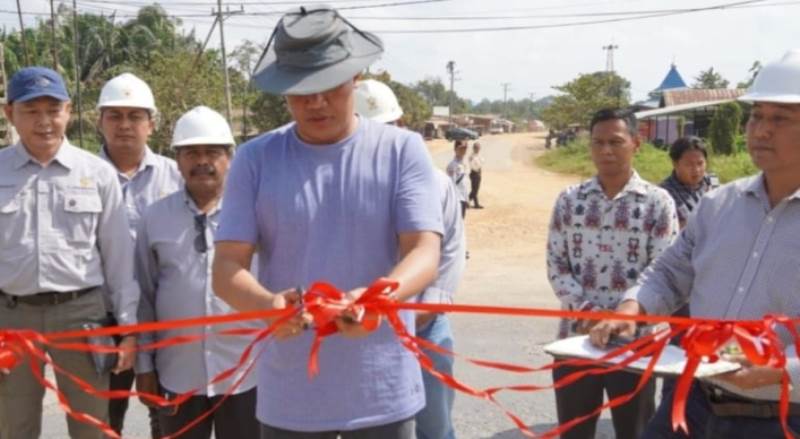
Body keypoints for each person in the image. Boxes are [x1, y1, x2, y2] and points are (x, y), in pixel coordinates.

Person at [211, 7, 443, 439]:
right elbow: (226, 268)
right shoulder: (254, 159)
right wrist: (267, 306)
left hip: (383, 392)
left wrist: (376, 297)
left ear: (355, 77)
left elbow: (424, 251)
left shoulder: (402, 151)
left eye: (328, 85)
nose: (316, 102)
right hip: (291, 397)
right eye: (301, 89)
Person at [589, 49, 800, 439]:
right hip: (692, 402)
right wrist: (632, 308)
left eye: (780, 119)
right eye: (756, 116)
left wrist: (782, 372)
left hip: (781, 418)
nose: (761, 130)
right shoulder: (720, 204)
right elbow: (669, 273)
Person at [0, 67, 140, 439]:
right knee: (15, 425)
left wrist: (127, 329)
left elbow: (119, 258)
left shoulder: (97, 173)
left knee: (91, 424)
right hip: (11, 317)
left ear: (69, 110)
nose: (44, 121)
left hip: (81, 315)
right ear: (8, 112)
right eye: (31, 111)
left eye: (53, 109)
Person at [546, 108, 678, 439]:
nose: (606, 150)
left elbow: (662, 269)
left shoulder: (658, 203)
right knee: (574, 432)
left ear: (637, 143)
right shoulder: (568, 201)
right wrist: (586, 312)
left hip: (636, 344)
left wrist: (624, 315)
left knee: (636, 431)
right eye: (598, 142)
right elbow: (556, 265)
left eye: (616, 142)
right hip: (576, 340)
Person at [134, 106, 259, 439]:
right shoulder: (155, 217)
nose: (201, 160)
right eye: (191, 152)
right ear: (177, 160)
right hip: (178, 372)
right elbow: (145, 294)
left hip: (246, 372)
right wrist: (144, 363)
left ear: (230, 158)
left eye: (212, 152)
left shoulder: (256, 214)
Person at [355, 78, 466, 439]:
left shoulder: (436, 184)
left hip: (426, 328)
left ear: (401, 126)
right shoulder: (345, 189)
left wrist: (423, 311)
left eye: (389, 128)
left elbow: (449, 252)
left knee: (434, 426)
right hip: (364, 333)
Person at [96, 71, 180, 438]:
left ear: (152, 123)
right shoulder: (84, 176)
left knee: (166, 414)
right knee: (102, 419)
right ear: (99, 122)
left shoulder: (176, 176)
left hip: (161, 315)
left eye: (135, 116)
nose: (125, 125)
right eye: (115, 116)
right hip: (102, 317)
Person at [660, 136, 720, 229]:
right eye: (689, 164)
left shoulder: (713, 181)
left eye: (700, 163)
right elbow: (671, 228)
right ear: (675, 164)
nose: (696, 170)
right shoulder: (664, 193)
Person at [447, 140, 470, 218]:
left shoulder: (464, 164)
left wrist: (467, 198)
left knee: (461, 222)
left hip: (463, 198)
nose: (463, 151)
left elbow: (465, 183)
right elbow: (451, 184)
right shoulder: (452, 165)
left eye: (465, 149)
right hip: (456, 199)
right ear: (455, 149)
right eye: (461, 149)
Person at [468, 142, 484, 209]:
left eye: (479, 148)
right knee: (474, 190)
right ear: (474, 148)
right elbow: (471, 165)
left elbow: (482, 161)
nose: (478, 149)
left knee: (476, 189)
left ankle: (466, 202)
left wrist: (479, 169)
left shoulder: (479, 155)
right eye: (477, 148)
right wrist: (476, 170)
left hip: (479, 172)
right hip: (474, 173)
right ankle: (475, 204)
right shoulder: (472, 156)